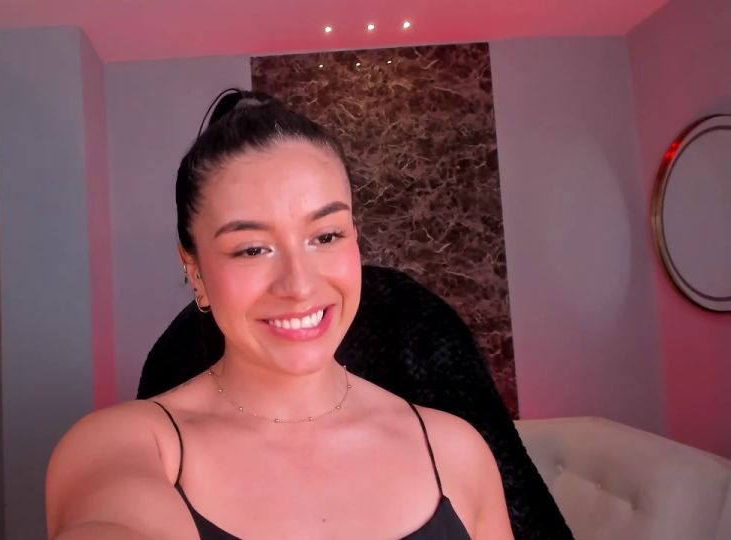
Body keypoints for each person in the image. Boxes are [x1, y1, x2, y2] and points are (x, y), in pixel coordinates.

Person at [46, 89, 513, 540]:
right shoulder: (125, 446)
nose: (299, 285)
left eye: (325, 237)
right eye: (252, 249)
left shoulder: (455, 452)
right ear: (196, 272)